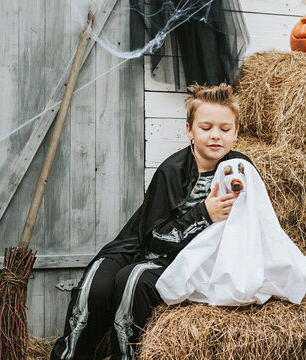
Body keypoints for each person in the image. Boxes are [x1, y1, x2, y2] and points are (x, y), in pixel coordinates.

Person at [50, 83, 252, 360]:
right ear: (189, 130)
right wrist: (203, 213)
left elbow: (251, 224)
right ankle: (72, 355)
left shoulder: (240, 169)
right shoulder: (171, 170)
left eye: (224, 129)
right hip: (141, 244)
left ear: (236, 132)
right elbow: (153, 235)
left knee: (132, 282)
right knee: (94, 288)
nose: (215, 135)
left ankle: (126, 354)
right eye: (206, 128)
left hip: (186, 257)